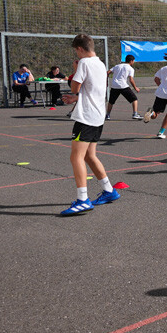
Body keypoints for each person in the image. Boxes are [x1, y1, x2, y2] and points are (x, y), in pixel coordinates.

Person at [59, 34, 118, 216]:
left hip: (86, 118)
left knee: (76, 157)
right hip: (98, 116)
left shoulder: (84, 63)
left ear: (79, 49)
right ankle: (109, 191)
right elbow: (92, 90)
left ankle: (83, 199)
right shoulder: (101, 64)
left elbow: (75, 86)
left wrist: (76, 69)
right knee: (90, 156)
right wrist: (77, 98)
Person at [106, 54, 142, 120]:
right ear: (131, 61)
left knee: (111, 102)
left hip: (114, 86)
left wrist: (106, 82)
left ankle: (107, 115)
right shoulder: (130, 68)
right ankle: (135, 114)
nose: (133, 62)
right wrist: (135, 88)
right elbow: (131, 79)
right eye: (133, 61)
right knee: (134, 99)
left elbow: (107, 72)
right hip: (123, 86)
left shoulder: (117, 66)